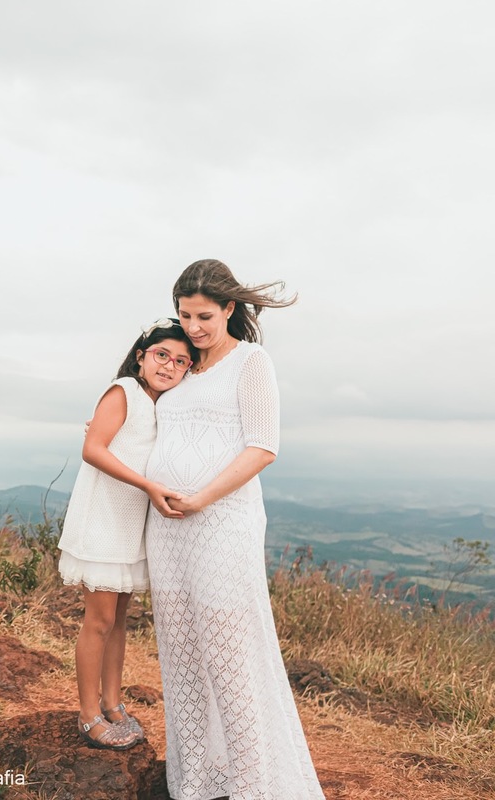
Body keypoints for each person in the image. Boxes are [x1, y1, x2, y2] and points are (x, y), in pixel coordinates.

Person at [145, 259, 324, 798]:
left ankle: (250, 786)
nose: (194, 327)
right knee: (180, 655)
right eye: (185, 315)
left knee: (229, 655)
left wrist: (202, 496)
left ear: (229, 309)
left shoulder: (251, 362)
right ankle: (197, 782)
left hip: (222, 522)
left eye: (203, 316)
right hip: (168, 529)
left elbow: (263, 447)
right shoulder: (178, 365)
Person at [57, 319, 197, 750]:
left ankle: (113, 702)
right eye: (161, 355)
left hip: (131, 527)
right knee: (98, 621)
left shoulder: (166, 405)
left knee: (119, 622)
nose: (169, 366)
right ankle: (88, 714)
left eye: (181, 362)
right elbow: (93, 449)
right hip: (103, 520)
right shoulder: (124, 390)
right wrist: (149, 486)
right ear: (141, 356)